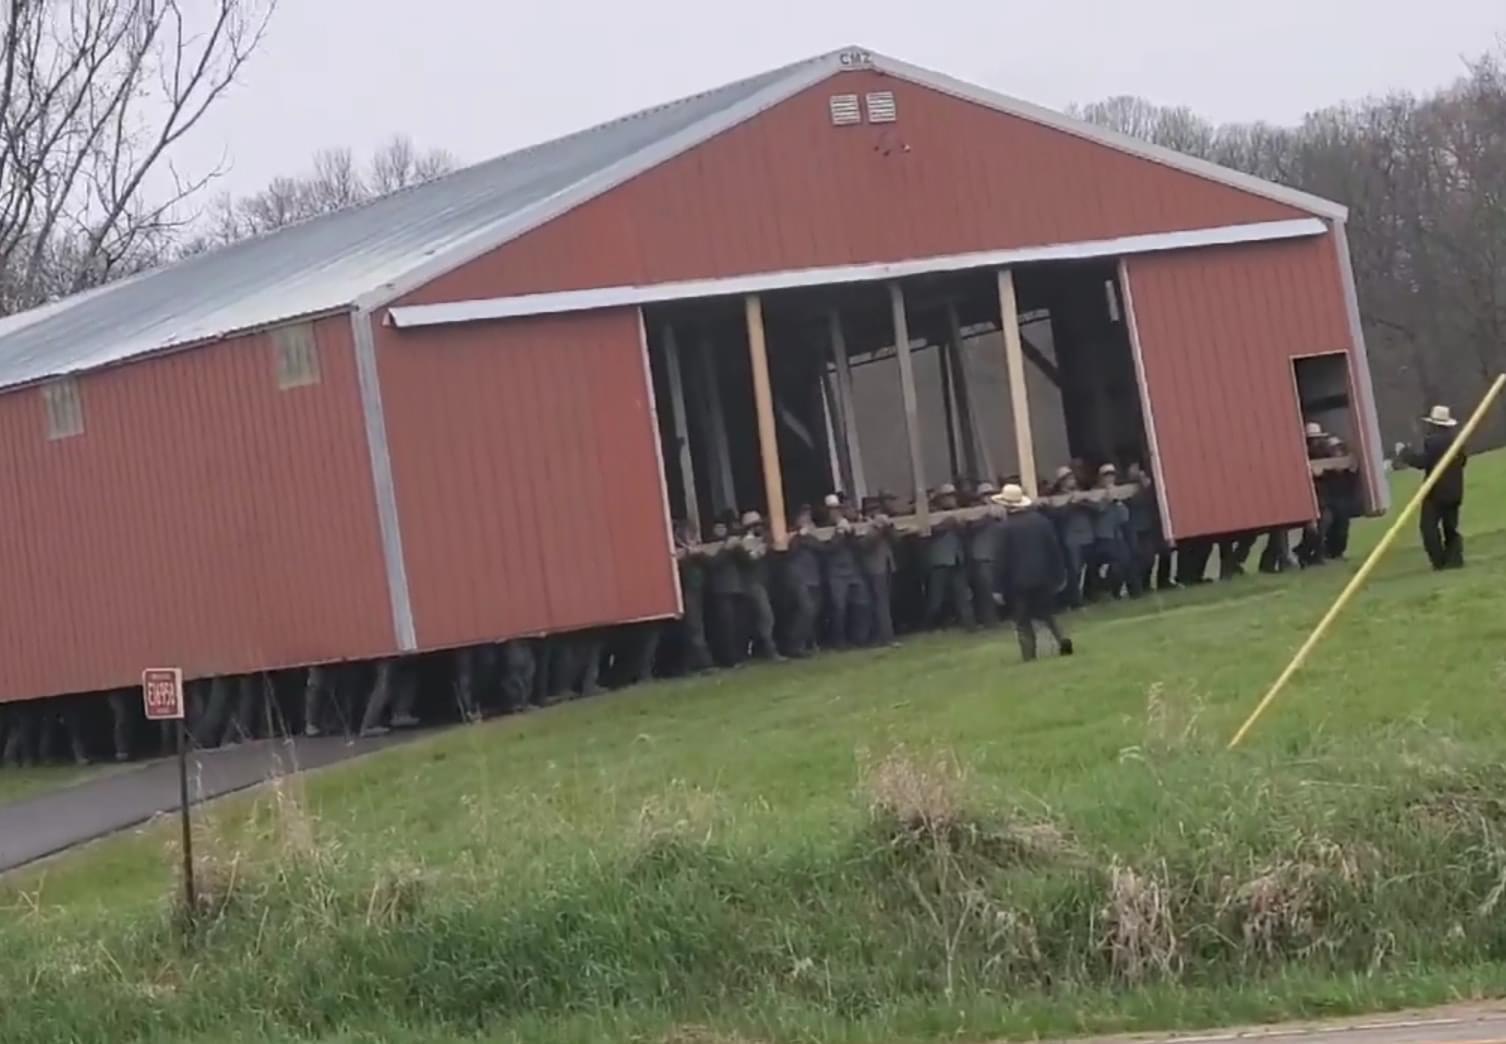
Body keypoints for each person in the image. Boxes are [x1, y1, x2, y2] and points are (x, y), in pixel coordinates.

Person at [993, 484, 1073, 662]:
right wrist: (1059, 574)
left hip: (1018, 582)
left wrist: (997, 588)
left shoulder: (1004, 528)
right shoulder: (1041, 521)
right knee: (1048, 613)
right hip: (1043, 577)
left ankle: (1029, 654)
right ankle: (1062, 638)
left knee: (1022, 620)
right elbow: (1054, 549)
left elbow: (1001, 559)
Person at [1397, 404, 1468, 570]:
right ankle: (1455, 559)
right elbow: (1463, 462)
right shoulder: (1457, 441)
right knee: (1451, 528)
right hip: (1455, 492)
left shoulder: (1433, 442)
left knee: (1428, 528)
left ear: (1434, 424)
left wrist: (1404, 453)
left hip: (1435, 493)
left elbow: (1422, 462)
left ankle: (1439, 561)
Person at [819, 496, 870, 648]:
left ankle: (860, 639)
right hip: (835, 572)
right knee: (839, 608)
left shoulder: (847, 524)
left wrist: (850, 533)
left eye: (838, 510)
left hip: (852, 569)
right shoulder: (823, 527)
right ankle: (839, 641)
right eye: (832, 510)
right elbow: (828, 549)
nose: (836, 513)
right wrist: (840, 532)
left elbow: (858, 547)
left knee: (862, 602)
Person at [732, 511, 783, 662]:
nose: (760, 527)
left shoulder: (762, 539)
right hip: (752, 584)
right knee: (766, 618)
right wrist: (758, 553)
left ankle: (761, 650)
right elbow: (745, 562)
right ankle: (769, 652)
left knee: (762, 619)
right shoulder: (743, 543)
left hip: (763, 582)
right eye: (757, 525)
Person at [924, 484, 974, 629]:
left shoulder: (959, 512)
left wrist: (961, 526)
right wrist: (946, 524)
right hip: (939, 561)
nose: (951, 499)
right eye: (947, 497)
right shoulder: (932, 513)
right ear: (940, 499)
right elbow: (927, 532)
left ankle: (970, 626)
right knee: (936, 599)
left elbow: (966, 535)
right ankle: (930, 626)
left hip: (957, 558)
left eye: (952, 496)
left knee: (962, 595)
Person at [672, 520, 714, 673]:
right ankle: (704, 663)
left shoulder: (696, 552)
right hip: (687, 593)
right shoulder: (679, 552)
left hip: (699, 591)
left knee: (697, 627)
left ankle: (691, 664)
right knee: (694, 627)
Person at [1050, 466, 1094, 608]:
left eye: (1072, 477)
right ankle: (1074, 601)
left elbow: (1097, 508)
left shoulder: (1081, 493)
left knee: (1090, 567)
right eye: (1068, 478)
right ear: (1061, 482)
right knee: (1075, 570)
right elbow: (1057, 516)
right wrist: (1070, 504)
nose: (1072, 480)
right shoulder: (1057, 497)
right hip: (1071, 538)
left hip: (1088, 534)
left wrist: (1082, 501)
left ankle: (1091, 595)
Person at [784, 505, 825, 657]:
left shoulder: (812, 535)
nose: (807, 519)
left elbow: (822, 549)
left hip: (814, 577)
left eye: (808, 516)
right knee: (806, 610)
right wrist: (800, 536)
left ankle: (809, 643)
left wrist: (808, 537)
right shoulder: (791, 535)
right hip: (798, 578)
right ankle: (795, 646)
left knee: (813, 612)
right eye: (804, 516)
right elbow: (789, 552)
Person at [858, 497, 900, 647]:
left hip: (887, 565)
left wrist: (889, 527)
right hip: (874, 569)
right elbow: (865, 545)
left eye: (878, 510)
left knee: (885, 602)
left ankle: (880, 635)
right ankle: (887, 638)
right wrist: (878, 528)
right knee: (880, 603)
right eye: (873, 510)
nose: (877, 513)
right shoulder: (862, 525)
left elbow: (897, 540)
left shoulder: (883, 525)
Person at [965, 482, 1004, 627]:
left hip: (997, 554)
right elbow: (969, 528)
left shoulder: (1000, 509)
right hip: (981, 556)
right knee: (985, 592)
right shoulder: (974, 511)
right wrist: (987, 517)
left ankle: (1003, 616)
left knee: (998, 588)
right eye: (986, 495)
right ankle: (990, 620)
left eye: (992, 494)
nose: (990, 497)